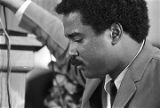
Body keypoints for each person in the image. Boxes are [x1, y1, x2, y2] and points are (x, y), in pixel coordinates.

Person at [1, 0, 160, 108]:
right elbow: (59, 41)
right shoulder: (100, 75)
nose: (71, 50)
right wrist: (19, 4)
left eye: (77, 39)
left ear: (114, 33)